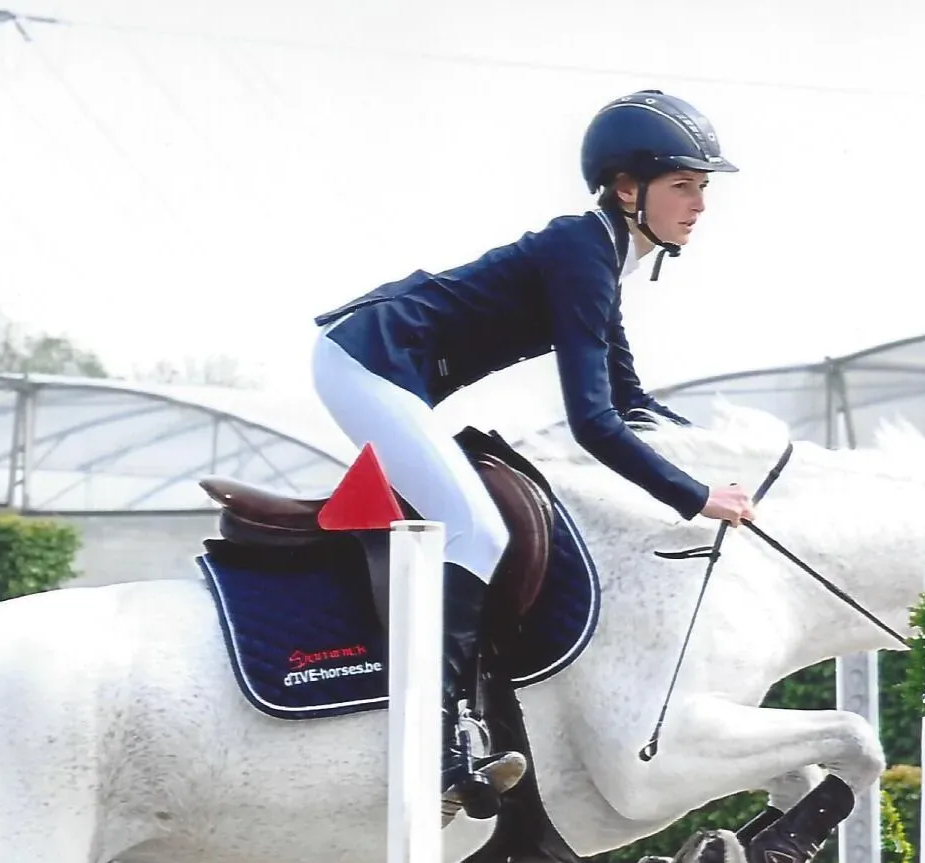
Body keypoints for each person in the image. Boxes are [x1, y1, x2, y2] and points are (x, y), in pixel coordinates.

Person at [312, 89, 756, 820]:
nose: (699, 204)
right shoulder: (582, 252)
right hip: (366, 361)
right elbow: (592, 424)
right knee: (477, 531)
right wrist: (694, 496)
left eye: (702, 187)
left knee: (474, 522)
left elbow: (630, 398)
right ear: (625, 188)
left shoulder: (600, 255)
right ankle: (432, 746)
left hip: (389, 369)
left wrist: (722, 459)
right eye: (683, 185)